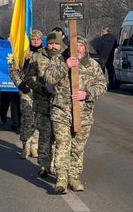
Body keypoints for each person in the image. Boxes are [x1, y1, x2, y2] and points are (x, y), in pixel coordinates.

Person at [44, 35, 107, 194]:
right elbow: (49, 78)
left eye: (80, 45)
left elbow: (102, 86)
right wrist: (65, 66)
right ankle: (61, 179)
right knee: (63, 146)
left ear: (85, 48)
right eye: (74, 44)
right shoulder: (59, 60)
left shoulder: (92, 65)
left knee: (77, 148)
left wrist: (87, 93)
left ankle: (74, 177)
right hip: (61, 112)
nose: (77, 48)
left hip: (83, 114)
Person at [25, 31, 67, 176]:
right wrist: (40, 87)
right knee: (44, 135)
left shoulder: (66, 57)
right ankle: (43, 164)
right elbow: (28, 78)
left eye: (56, 44)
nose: (53, 47)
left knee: (59, 137)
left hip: (61, 105)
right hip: (42, 102)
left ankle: (55, 164)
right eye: (50, 43)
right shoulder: (37, 57)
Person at [9, 29, 43, 159]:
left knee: (39, 119)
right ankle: (25, 144)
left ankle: (35, 145)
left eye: (37, 40)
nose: (35, 42)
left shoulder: (45, 54)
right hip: (26, 90)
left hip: (40, 91)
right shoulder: (22, 53)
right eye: (33, 39)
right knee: (27, 117)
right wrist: (21, 85)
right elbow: (13, 70)